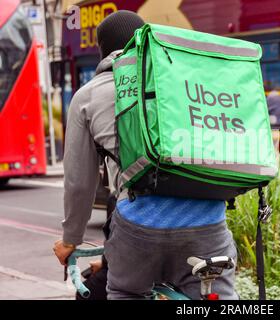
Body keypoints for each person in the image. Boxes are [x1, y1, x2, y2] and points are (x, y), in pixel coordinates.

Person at [53, 10, 238, 300]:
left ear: (103, 50)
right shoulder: (181, 78)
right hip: (208, 221)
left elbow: (79, 184)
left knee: (126, 291)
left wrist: (70, 240)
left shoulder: (88, 96)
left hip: (139, 225)